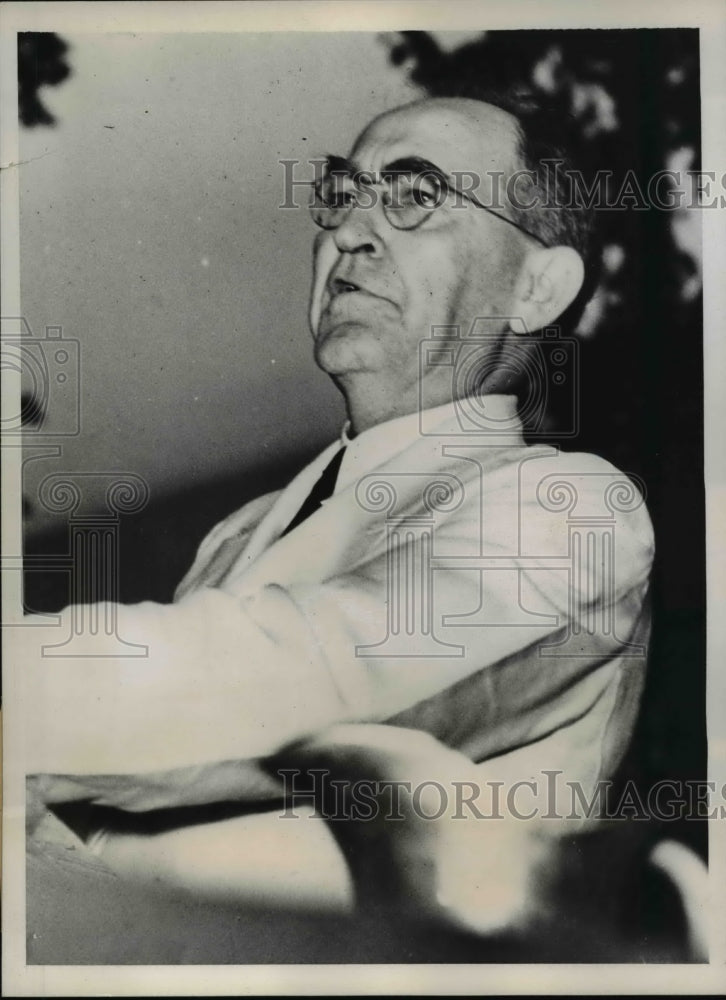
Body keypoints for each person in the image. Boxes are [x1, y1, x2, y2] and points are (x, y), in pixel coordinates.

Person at [19, 95, 654, 936]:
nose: (350, 230)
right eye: (342, 194)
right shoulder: (242, 531)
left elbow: (298, 684)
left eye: (414, 194)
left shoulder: (575, 510)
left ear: (538, 288)